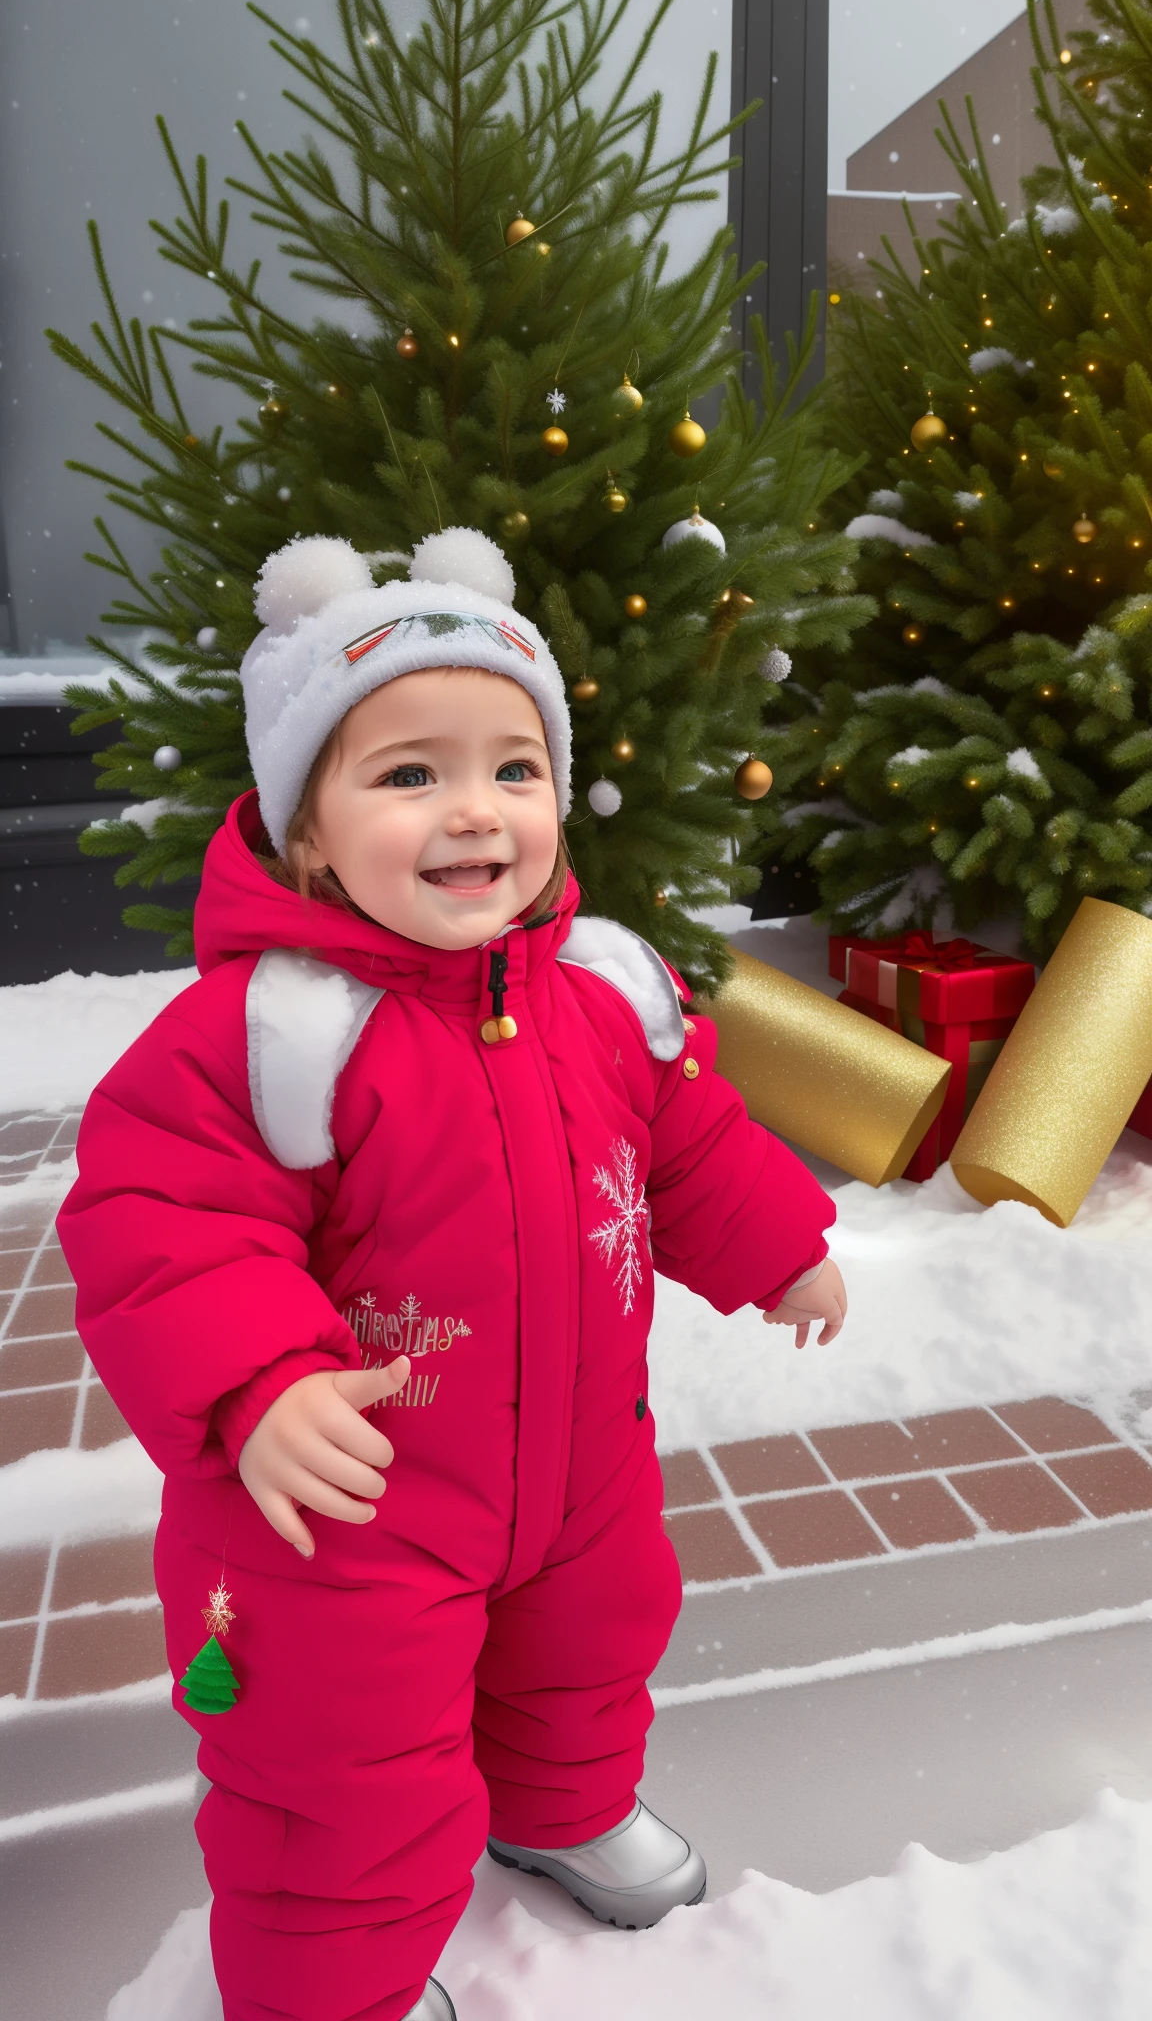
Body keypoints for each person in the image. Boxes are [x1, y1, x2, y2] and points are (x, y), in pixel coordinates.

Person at [59, 526, 846, 2021]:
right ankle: (326, 1989)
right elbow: (164, 1217)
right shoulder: (275, 1030)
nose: (473, 812)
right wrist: (256, 1379)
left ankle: (554, 1805)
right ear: (307, 831)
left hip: (574, 1472)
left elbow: (684, 1137)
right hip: (346, 1515)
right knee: (336, 1770)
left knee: (590, 1652)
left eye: (512, 768)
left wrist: (778, 1243)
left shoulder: (604, 985)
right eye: (408, 774)